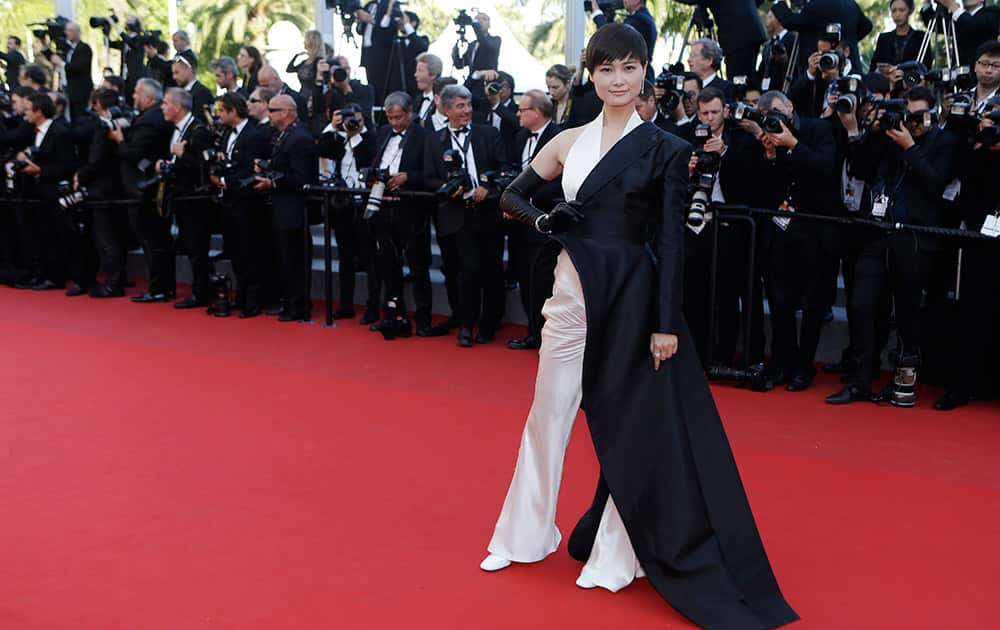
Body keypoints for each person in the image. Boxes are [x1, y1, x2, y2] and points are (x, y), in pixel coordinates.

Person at [481, 24, 798, 629]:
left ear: (644, 72)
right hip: (569, 298)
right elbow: (512, 197)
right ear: (590, 74)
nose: (618, 80)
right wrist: (548, 222)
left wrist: (665, 324)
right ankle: (523, 535)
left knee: (628, 429)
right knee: (546, 416)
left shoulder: (666, 147)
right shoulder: (567, 140)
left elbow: (672, 243)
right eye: (607, 70)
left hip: (631, 301)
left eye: (630, 68)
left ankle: (613, 556)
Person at [827, 86, 958, 406]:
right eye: (906, 115)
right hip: (878, 233)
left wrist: (910, 146)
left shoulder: (945, 142)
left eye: (917, 117)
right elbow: (860, 169)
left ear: (933, 113)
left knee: (909, 313)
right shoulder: (888, 136)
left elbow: (937, 183)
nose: (910, 123)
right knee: (861, 304)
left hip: (915, 238)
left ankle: (904, 382)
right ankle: (859, 381)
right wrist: (866, 131)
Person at [423, 84, 509, 347]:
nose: (467, 111)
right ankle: (466, 324)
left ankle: (489, 323)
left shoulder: (488, 134)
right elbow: (428, 178)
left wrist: (489, 189)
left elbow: (504, 168)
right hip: (457, 214)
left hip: (487, 212)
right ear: (446, 109)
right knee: (467, 270)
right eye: (460, 106)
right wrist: (447, 190)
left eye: (469, 105)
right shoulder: (434, 139)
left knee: (492, 270)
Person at [366, 91, 432, 338]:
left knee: (417, 265)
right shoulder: (382, 134)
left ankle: (423, 318)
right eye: (390, 118)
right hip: (383, 205)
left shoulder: (424, 136)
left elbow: (431, 172)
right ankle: (393, 315)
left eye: (398, 118)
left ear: (410, 113)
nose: (394, 123)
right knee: (388, 264)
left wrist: (408, 177)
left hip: (411, 208)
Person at [253, 94, 318, 322]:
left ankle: (298, 305)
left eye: (272, 110)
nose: (268, 113)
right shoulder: (283, 136)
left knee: (295, 259)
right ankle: (291, 302)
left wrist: (273, 182)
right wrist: (267, 166)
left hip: (294, 209)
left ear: (287, 112)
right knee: (286, 258)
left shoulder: (299, 137)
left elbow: (301, 176)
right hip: (283, 208)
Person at [506, 89, 561, 351]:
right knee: (525, 278)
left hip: (545, 219)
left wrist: (527, 202)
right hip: (518, 222)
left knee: (543, 281)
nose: (517, 113)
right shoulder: (518, 137)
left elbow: (560, 179)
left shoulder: (559, 136)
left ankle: (546, 337)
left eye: (522, 109)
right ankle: (533, 333)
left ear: (537, 112)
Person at [114, 78, 176, 303]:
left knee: (152, 240)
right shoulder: (154, 119)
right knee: (157, 239)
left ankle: (160, 287)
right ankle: (163, 285)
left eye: (137, 93)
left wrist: (119, 141)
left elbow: (134, 154)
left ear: (149, 97)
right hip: (151, 188)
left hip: (144, 190)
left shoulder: (148, 121)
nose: (133, 97)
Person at [210, 92, 271, 318]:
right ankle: (242, 296)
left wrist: (225, 180)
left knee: (250, 253)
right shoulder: (226, 133)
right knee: (235, 252)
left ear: (233, 111)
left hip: (247, 205)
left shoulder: (253, 135)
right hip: (229, 203)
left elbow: (248, 169)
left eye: (221, 110)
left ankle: (253, 301)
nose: (218, 115)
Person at [317, 104, 380, 323]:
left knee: (369, 258)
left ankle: (373, 306)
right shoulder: (338, 139)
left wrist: (354, 135)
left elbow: (367, 158)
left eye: (358, 120)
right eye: (349, 120)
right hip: (343, 207)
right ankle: (346, 304)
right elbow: (322, 149)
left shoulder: (371, 140)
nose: (353, 124)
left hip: (364, 206)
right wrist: (332, 127)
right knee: (345, 257)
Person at [158, 87, 214, 308]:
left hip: (195, 200)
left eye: (165, 103)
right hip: (180, 197)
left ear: (178, 107)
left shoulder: (198, 130)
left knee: (197, 248)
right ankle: (202, 288)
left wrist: (183, 154)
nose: (162, 107)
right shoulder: (175, 130)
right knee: (191, 247)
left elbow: (204, 165)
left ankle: (202, 293)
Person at [75, 88, 127, 298]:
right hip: (117, 186)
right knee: (112, 236)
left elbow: (97, 159)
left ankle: (113, 283)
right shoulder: (122, 120)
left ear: (97, 104)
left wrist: (81, 175)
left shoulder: (103, 125)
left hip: (101, 188)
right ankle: (117, 280)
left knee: (105, 238)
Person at [771, 0, 873, 78]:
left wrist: (779, 3)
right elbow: (867, 26)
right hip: (852, 72)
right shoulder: (851, 4)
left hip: (822, 73)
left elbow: (791, 22)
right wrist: (846, 43)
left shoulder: (816, 5)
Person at [589, 0, 656, 82]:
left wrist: (597, 14)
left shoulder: (639, 19)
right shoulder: (642, 17)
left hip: (637, 80)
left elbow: (611, 40)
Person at [922, 0, 1000, 67]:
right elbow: (934, 24)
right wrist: (927, 2)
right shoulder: (957, 17)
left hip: (983, 73)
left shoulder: (992, 12)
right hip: (959, 75)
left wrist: (952, 5)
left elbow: (973, 25)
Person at [51, 22, 93, 122]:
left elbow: (79, 67)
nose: (66, 33)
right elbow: (53, 58)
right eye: (66, 30)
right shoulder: (68, 48)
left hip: (79, 90)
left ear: (78, 32)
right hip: (67, 87)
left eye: (70, 30)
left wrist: (61, 63)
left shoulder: (84, 48)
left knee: (78, 116)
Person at [872, 0, 928, 70]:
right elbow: (874, 68)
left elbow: (926, 66)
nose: (897, 14)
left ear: (910, 11)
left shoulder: (921, 37)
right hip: (887, 80)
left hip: (912, 79)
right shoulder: (883, 38)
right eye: (894, 11)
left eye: (901, 10)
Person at [758, 8, 797, 91]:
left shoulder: (792, 40)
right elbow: (761, 70)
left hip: (785, 89)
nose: (766, 22)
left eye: (769, 17)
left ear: (777, 19)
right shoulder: (768, 45)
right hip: (767, 90)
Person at [172, 56, 213, 123]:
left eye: (177, 72)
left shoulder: (202, 92)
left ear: (189, 69)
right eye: (173, 73)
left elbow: (200, 122)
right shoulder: (178, 92)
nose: (174, 77)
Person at [413, 53, 441, 127]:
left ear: (433, 75)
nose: (415, 75)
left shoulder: (442, 102)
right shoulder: (416, 100)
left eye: (420, 71)